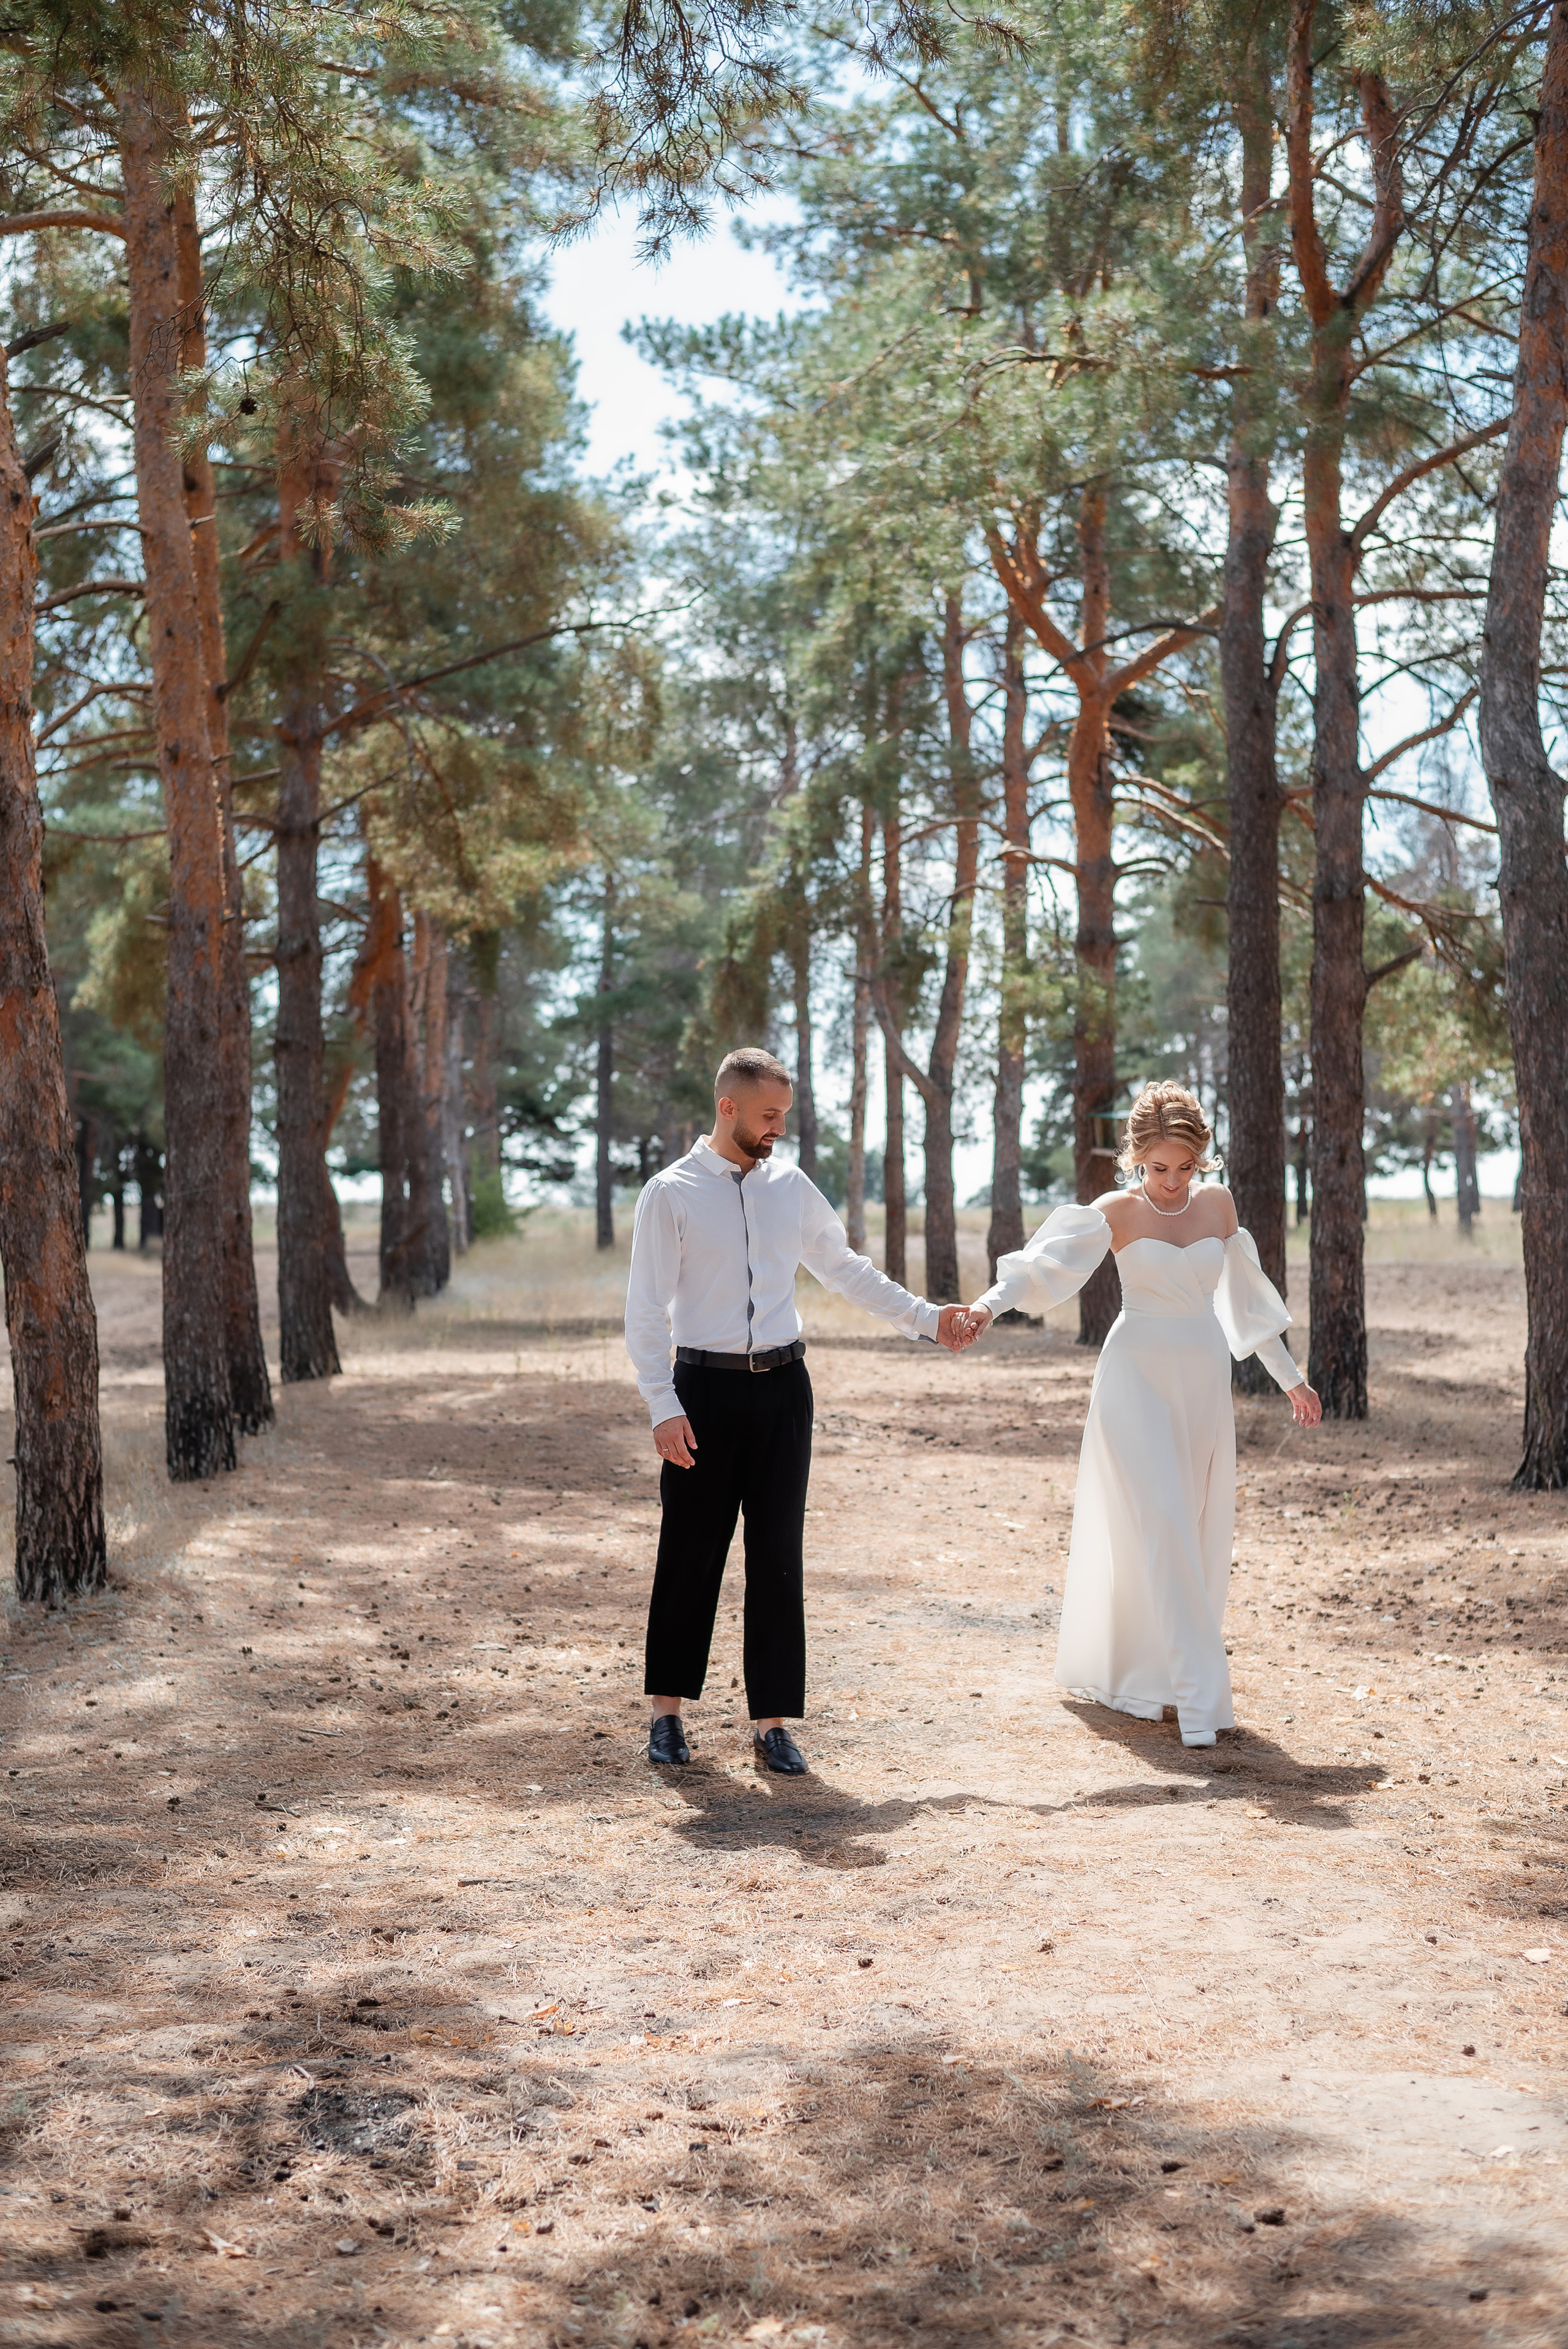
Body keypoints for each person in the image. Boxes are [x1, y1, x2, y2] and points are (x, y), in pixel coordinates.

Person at [625, 1046, 973, 1774]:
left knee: (778, 1556)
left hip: (784, 1391)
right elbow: (645, 1310)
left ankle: (773, 1723)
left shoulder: (790, 1186)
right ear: (728, 1108)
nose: (779, 1127)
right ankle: (666, 1717)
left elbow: (845, 1268)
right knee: (690, 1554)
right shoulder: (672, 1191)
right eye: (768, 1114)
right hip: (703, 1391)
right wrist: (663, 1403)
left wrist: (925, 1318)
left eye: (784, 1113)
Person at [961, 1081, 1321, 1747]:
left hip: (1203, 1377)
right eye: (1159, 1168)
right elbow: (1043, 1269)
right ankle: (1201, 1702)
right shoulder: (1115, 1210)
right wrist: (986, 1305)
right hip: (1134, 1376)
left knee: (1193, 1523)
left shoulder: (1218, 1205)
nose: (1173, 1182)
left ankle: (1157, 1678)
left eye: (1185, 1167)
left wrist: (1290, 1379)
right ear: (1135, 1159)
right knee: (1158, 1517)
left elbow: (1245, 1303)